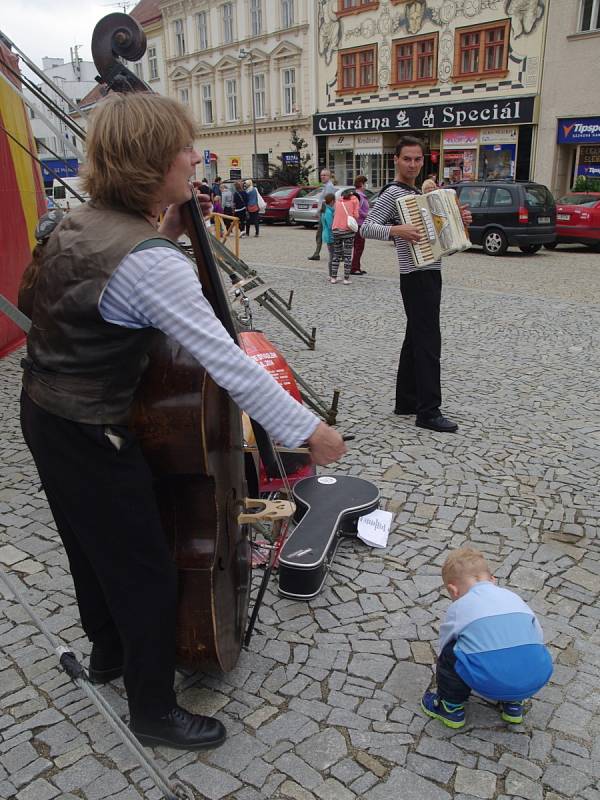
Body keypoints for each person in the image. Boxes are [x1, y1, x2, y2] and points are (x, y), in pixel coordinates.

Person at [19, 91, 346, 752]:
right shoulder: (150, 262)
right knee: (144, 569)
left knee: (88, 546)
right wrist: (310, 432)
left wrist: (161, 233)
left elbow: (80, 291)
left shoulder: (75, 223)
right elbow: (230, 363)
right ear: (151, 162)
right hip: (95, 427)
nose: (196, 157)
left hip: (44, 411)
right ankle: (152, 709)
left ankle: (108, 652)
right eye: (184, 149)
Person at [361, 135, 472, 433]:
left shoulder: (420, 194)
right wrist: (396, 229)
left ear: (424, 161)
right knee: (428, 343)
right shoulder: (392, 194)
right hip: (415, 275)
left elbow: (441, 229)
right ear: (395, 160)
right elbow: (366, 226)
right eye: (407, 158)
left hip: (430, 271)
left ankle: (407, 401)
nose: (412, 164)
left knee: (415, 339)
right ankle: (429, 411)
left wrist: (461, 219)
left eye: (417, 159)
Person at [421, 547, 553, 729]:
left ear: (453, 590)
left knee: (452, 652)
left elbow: (445, 643)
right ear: (492, 580)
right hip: (536, 678)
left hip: (492, 680)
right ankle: (514, 705)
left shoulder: (460, 607)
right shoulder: (513, 597)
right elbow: (537, 634)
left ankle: (449, 707)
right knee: (521, 648)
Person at [329, 188, 359, 285]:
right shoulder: (354, 200)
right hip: (348, 231)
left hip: (336, 230)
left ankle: (333, 277)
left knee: (336, 254)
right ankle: (346, 279)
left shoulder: (338, 201)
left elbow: (335, 214)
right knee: (347, 255)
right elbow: (356, 215)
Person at [308, 168, 335, 261]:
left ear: (329, 176)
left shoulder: (329, 186)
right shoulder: (326, 186)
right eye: (321, 175)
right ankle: (317, 253)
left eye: (324, 175)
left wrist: (318, 211)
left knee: (326, 234)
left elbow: (327, 201)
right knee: (322, 234)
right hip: (324, 213)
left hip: (325, 213)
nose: (322, 177)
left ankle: (337, 254)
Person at [350, 175, 370, 276]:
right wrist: (366, 214)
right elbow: (357, 209)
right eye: (365, 183)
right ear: (361, 184)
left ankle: (356, 266)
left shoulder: (358, 195)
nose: (366, 185)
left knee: (358, 246)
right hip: (359, 224)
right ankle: (354, 268)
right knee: (359, 246)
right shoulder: (359, 196)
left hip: (359, 224)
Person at [320, 193, 336, 281]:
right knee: (332, 256)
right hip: (330, 235)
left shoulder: (326, 210)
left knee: (332, 255)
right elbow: (331, 225)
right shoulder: (328, 212)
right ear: (332, 201)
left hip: (327, 234)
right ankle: (331, 274)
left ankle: (332, 274)